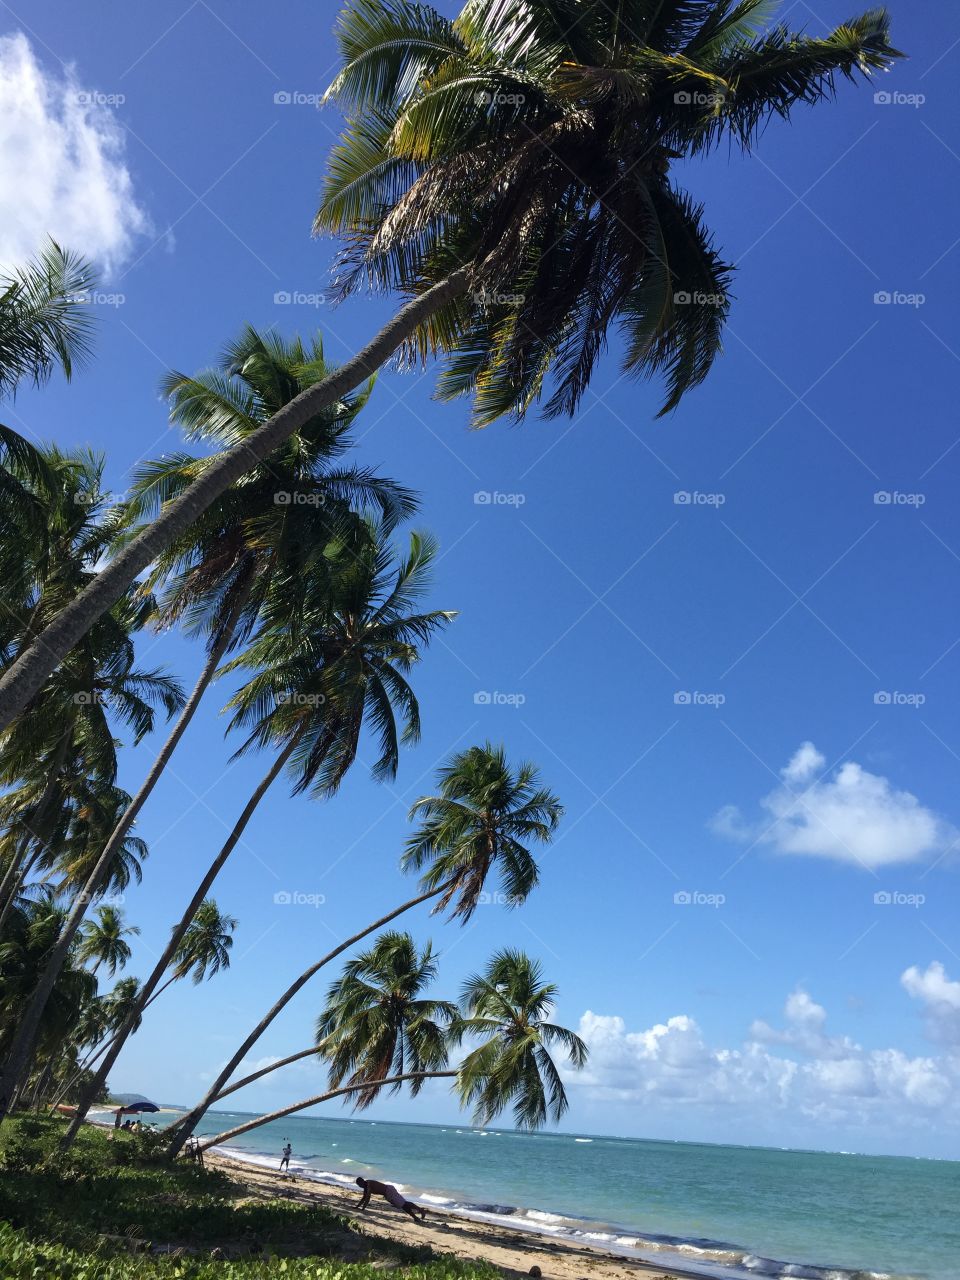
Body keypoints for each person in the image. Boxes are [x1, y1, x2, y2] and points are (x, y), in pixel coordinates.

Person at [355, 1177, 426, 1223]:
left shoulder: (368, 1184)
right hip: (388, 1193)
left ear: (361, 1182)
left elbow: (367, 1198)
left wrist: (363, 1208)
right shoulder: (366, 1186)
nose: (359, 1186)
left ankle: (420, 1211)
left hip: (389, 1191)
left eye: (359, 1185)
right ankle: (416, 1216)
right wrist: (357, 1207)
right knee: (403, 1205)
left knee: (404, 1204)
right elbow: (364, 1198)